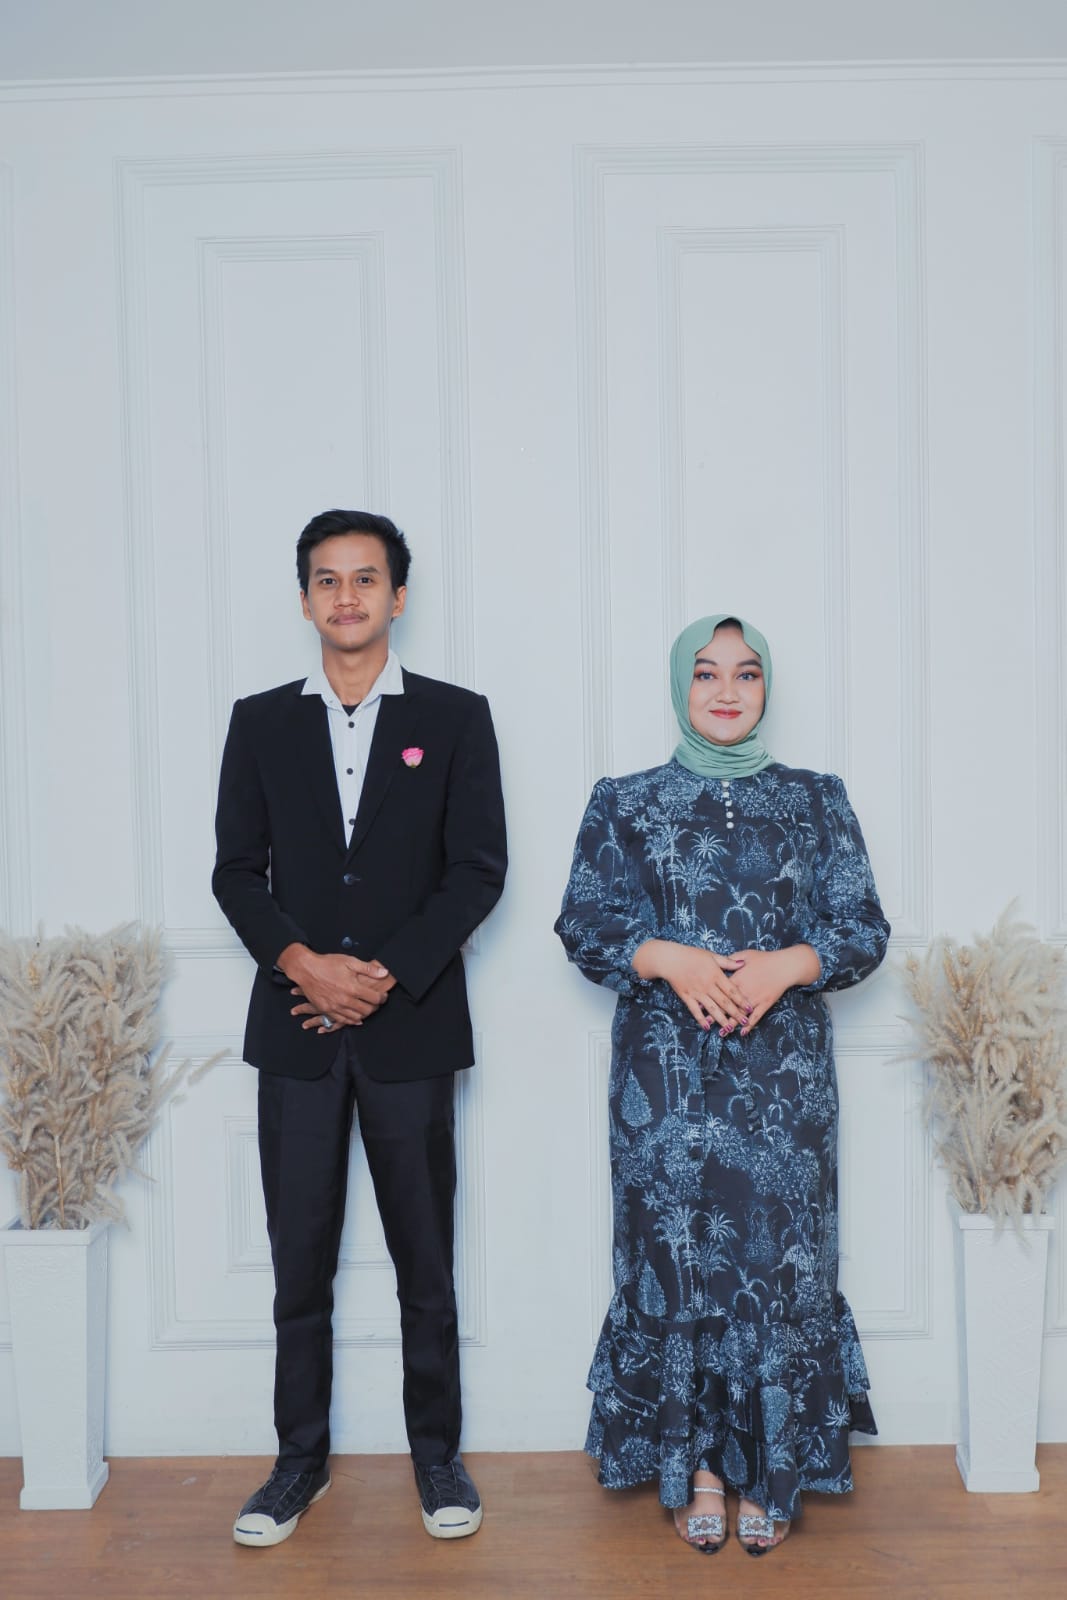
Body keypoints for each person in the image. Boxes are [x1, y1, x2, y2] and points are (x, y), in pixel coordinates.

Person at [555, 614, 889, 1556]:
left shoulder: (816, 799)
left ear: (765, 687)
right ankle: (700, 1470)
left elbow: (861, 927)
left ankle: (767, 1473)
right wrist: (669, 957)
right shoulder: (625, 801)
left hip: (784, 1084)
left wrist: (787, 964)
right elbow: (584, 922)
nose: (726, 691)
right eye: (706, 673)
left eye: (745, 674)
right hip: (665, 1084)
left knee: (779, 1268)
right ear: (682, 686)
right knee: (678, 1264)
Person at [213, 509, 506, 1548]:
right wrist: (304, 964)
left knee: (425, 1259)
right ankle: (298, 1463)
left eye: (366, 578)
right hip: (294, 1028)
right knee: (299, 1262)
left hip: (409, 1027)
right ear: (304, 600)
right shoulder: (260, 722)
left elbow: (478, 869)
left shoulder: (456, 717)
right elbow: (234, 871)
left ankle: (437, 1457)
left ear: (397, 595)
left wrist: (381, 975)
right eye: (328, 580)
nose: (347, 596)